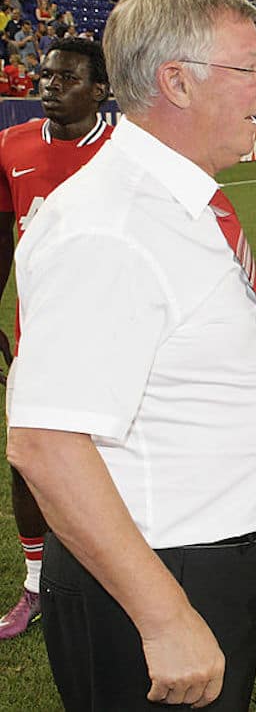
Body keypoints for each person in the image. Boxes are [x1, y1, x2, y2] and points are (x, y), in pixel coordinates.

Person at [6, 0, 256, 709]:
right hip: (151, 576)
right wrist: (164, 613)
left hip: (190, 560)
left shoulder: (165, 201)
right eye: (252, 67)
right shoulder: (111, 223)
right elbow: (45, 443)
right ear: (176, 81)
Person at [0, 38, 112, 641]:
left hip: (115, 342)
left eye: (65, 77)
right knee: (28, 463)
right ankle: (36, 585)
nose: (48, 85)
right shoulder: (12, 146)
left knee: (116, 464)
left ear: (99, 90)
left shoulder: (126, 154)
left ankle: (121, 580)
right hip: (37, 343)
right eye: (45, 75)